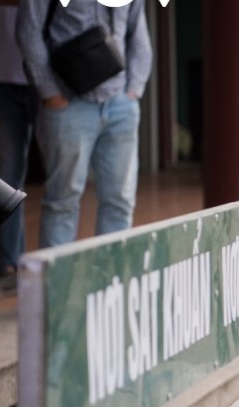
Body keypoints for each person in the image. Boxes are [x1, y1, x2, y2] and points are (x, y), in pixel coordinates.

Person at [17, 0, 152, 248]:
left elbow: (138, 32)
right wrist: (51, 94)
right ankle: (58, 285)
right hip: (68, 103)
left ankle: (111, 281)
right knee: (62, 202)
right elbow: (28, 30)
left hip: (120, 104)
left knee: (120, 201)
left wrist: (134, 90)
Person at [0, 0, 36, 296]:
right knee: (8, 176)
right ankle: (10, 264)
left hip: (52, 76)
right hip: (2, 80)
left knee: (65, 188)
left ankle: (58, 266)